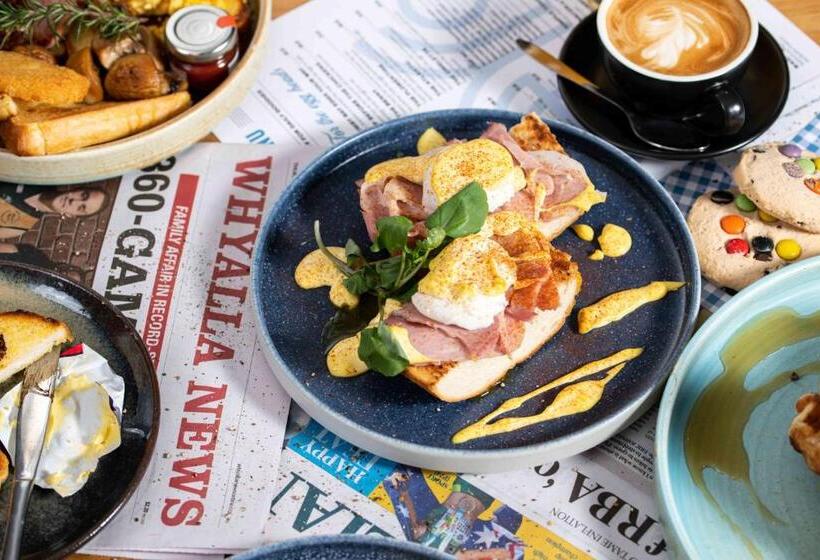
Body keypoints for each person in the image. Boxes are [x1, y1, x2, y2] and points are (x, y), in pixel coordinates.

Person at [0, 184, 110, 239]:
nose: (74, 201)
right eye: (83, 195)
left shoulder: (21, 225)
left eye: (81, 208)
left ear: (70, 215)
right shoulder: (38, 178)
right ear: (77, 189)